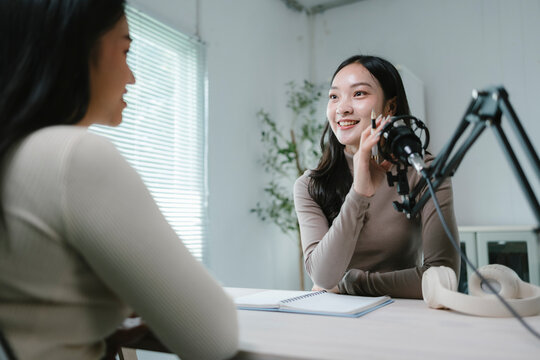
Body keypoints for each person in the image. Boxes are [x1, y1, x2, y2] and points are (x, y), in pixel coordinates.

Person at [0, 1, 238, 359]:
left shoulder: (14, 154)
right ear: (76, 46)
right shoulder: (71, 156)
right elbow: (215, 337)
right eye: (125, 50)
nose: (132, 76)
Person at [294, 55, 460, 299]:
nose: (342, 107)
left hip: (403, 319)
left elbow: (443, 278)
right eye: (334, 96)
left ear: (390, 107)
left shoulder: (422, 170)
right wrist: (359, 192)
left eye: (359, 94)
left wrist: (352, 282)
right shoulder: (310, 185)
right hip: (335, 322)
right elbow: (323, 276)